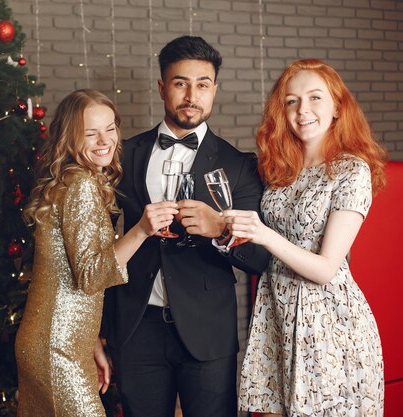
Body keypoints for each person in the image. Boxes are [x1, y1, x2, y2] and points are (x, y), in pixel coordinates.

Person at [100, 36, 271, 417]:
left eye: (203, 84)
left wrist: (220, 230)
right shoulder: (122, 155)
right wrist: (96, 331)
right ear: (162, 87)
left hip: (208, 330)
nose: (192, 95)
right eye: (180, 83)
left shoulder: (240, 165)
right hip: (134, 327)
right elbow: (96, 247)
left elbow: (259, 259)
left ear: (214, 90)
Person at [223, 59, 388, 416]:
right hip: (275, 313)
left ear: (337, 108)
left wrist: (263, 234)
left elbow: (327, 269)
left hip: (326, 320)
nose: (303, 110)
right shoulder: (280, 168)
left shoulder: (351, 170)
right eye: (292, 101)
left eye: (315, 98)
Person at [15, 89, 177, 417]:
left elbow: (62, 272)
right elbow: (89, 275)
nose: (104, 140)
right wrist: (142, 229)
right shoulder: (82, 186)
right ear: (70, 138)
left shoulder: (73, 180)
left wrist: (92, 344)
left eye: (110, 129)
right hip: (57, 349)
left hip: (58, 342)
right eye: (91, 133)